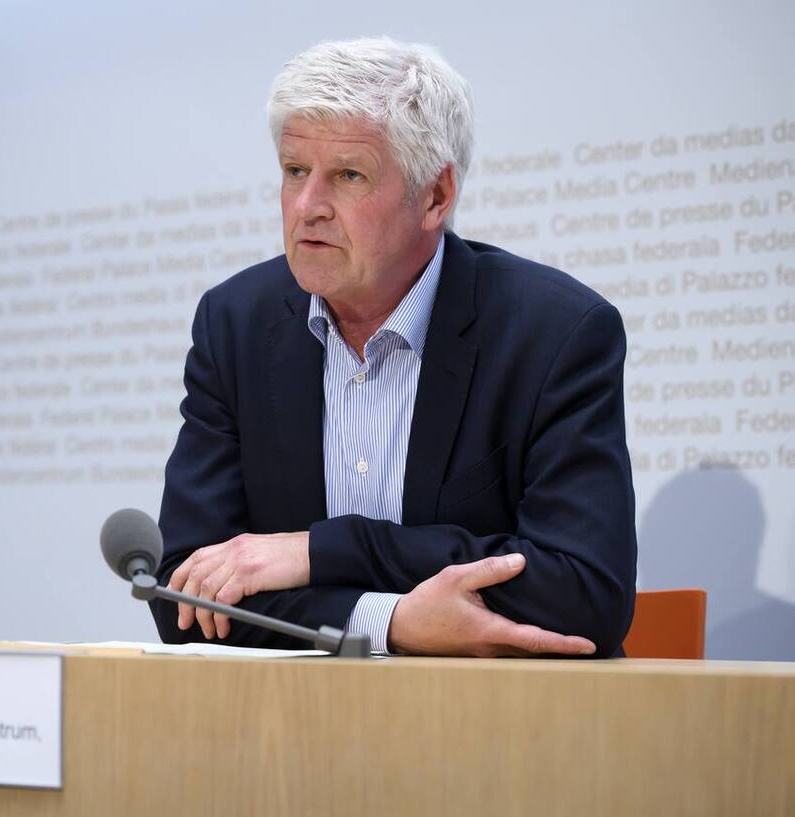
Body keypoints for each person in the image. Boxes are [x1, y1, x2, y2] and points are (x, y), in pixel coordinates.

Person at [149, 36, 637, 657]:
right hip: (293, 733)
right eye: (295, 171)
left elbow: (584, 593)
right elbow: (185, 598)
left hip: (502, 728)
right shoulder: (236, 322)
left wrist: (320, 551)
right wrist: (393, 621)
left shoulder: (555, 332)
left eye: (349, 176)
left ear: (435, 196)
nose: (307, 207)